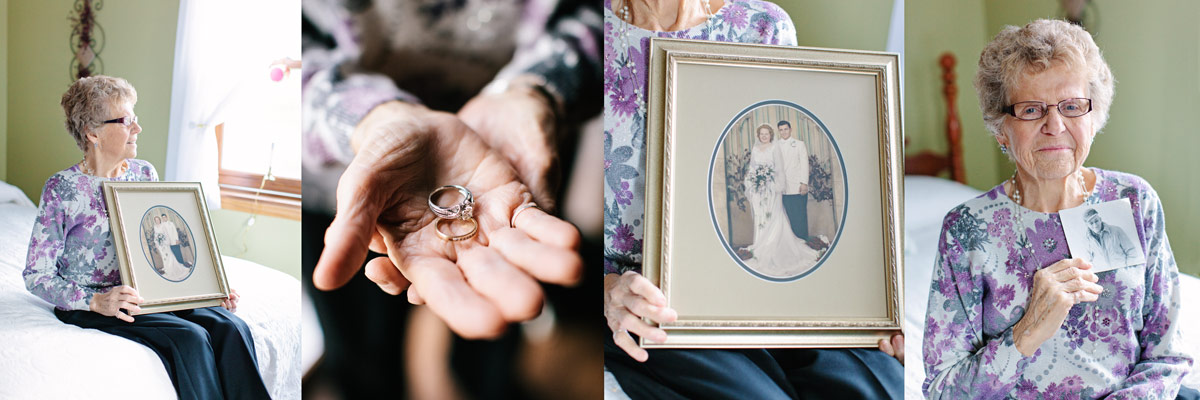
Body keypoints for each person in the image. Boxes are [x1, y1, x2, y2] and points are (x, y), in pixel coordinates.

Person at [603, 1, 903, 398]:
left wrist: (876, 303)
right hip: (652, 299)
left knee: (881, 386)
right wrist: (607, 290)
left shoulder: (764, 26)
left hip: (767, 295)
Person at [302, 0, 601, 397]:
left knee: (490, 335)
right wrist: (370, 117)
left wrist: (535, 90)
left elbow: (614, 15)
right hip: (346, 173)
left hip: (514, 157)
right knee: (364, 349)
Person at [922, 19, 1194, 399]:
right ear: (1001, 127)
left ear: (1094, 116)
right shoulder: (967, 230)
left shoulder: (1134, 200)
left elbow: (1169, 356)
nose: (1055, 125)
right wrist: (1027, 331)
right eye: (1031, 109)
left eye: (1071, 106)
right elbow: (941, 390)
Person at [24, 75, 266, 399]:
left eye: (134, 119)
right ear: (92, 133)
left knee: (230, 326)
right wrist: (96, 301)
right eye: (125, 121)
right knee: (190, 339)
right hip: (95, 303)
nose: (137, 128)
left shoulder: (143, 174)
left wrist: (206, 289)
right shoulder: (62, 189)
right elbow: (36, 275)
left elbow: (161, 246)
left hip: (148, 293)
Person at [741, 124, 820, 278]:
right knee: (761, 217)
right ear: (759, 136)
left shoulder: (774, 147)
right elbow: (752, 168)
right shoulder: (756, 149)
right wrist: (752, 181)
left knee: (774, 216)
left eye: (766, 133)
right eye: (761, 134)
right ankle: (760, 244)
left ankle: (774, 245)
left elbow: (779, 169)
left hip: (772, 188)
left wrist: (777, 185)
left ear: (771, 135)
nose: (764, 136)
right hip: (759, 190)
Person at [775, 120, 809, 240]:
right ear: (778, 131)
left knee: (799, 215)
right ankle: (791, 245)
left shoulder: (799, 144)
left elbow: (804, 164)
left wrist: (804, 183)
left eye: (786, 129)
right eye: (781, 130)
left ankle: (802, 240)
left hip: (797, 186)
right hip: (782, 188)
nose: (783, 132)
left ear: (790, 129)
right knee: (786, 217)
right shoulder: (775, 145)